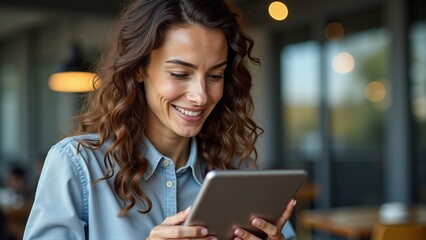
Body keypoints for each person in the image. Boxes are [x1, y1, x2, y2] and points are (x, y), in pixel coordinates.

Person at [23, 0, 297, 239]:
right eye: (180, 73)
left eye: (215, 76)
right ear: (139, 68)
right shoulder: (77, 165)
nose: (201, 96)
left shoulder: (239, 173)